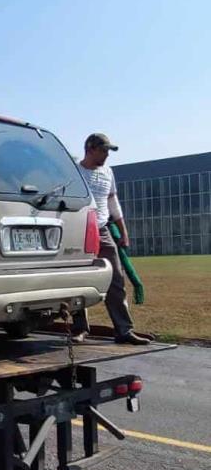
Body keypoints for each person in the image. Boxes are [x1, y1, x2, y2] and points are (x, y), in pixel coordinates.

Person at [72, 133, 149, 345]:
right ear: (90, 149)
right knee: (80, 280)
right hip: (79, 232)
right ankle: (79, 329)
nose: (107, 155)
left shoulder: (108, 172)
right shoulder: (74, 172)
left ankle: (124, 330)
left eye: (108, 151)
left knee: (116, 278)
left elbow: (113, 201)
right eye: (103, 150)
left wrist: (123, 231)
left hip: (103, 231)